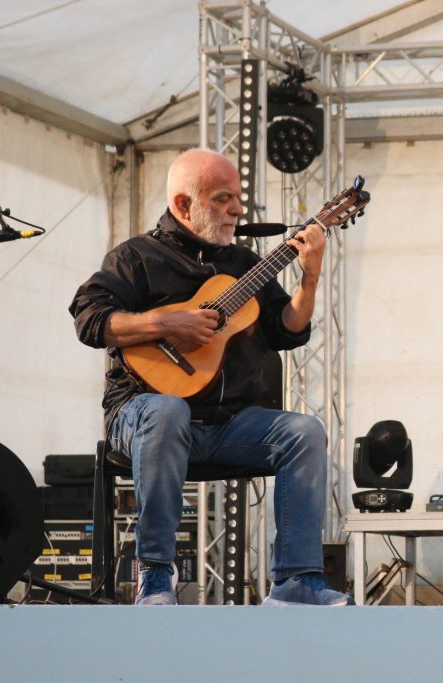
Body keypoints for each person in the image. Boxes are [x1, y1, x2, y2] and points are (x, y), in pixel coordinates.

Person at [70, 149, 353, 606]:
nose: (238, 209)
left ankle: (295, 582)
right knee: (168, 410)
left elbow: (288, 330)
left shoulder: (244, 263)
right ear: (184, 205)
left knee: (304, 431)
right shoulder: (136, 258)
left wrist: (311, 278)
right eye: (224, 199)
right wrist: (167, 325)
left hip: (227, 424)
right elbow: (89, 320)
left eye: (238, 197)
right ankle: (157, 577)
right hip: (144, 415)